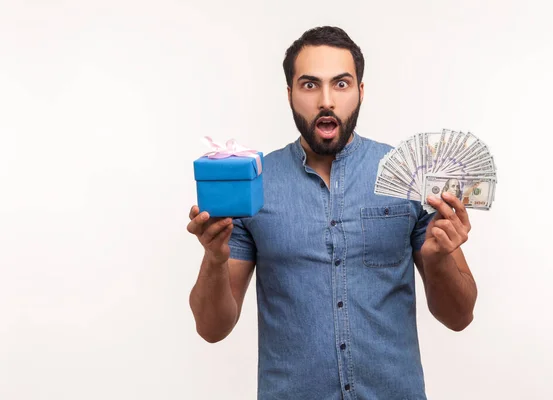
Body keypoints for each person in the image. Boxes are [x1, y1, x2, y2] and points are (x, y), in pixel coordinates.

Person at [186, 26, 477, 400]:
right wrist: (213, 259)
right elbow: (212, 329)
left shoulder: (409, 179)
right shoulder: (255, 186)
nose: (327, 100)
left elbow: (460, 317)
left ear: (360, 91)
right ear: (290, 94)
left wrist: (440, 260)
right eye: (310, 85)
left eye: (341, 84)